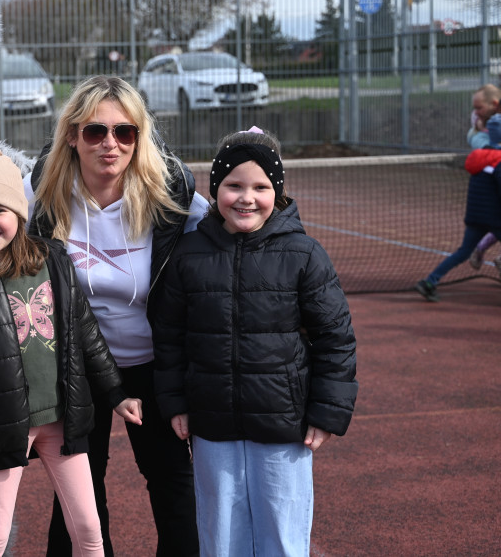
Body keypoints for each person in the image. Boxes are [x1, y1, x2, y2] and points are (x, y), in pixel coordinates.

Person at [153, 128, 359, 557]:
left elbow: (335, 338)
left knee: (283, 534)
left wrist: (326, 412)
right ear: (215, 189)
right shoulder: (189, 254)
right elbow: (170, 337)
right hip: (212, 424)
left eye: (260, 187)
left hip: (284, 427)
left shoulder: (304, 254)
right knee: (220, 534)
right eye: (233, 186)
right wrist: (175, 403)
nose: (246, 198)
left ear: (277, 191)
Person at [26, 76, 208, 557]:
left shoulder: (171, 194)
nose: (111, 143)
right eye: (95, 131)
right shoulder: (43, 192)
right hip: (77, 364)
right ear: (72, 135)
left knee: (171, 478)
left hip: (153, 363)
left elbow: (233, 232)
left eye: (125, 132)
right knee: (82, 483)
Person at [0, 148, 144, 557]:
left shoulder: (54, 259)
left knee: (87, 527)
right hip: (1, 426)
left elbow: (86, 332)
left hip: (61, 420)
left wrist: (117, 393)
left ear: (19, 212)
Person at [415, 124, 501, 301]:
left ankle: (430, 281)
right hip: (495, 219)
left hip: (475, 217)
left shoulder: (480, 159)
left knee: (463, 252)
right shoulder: (499, 161)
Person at [467, 84, 501, 270]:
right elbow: (479, 140)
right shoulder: (482, 124)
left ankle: (480, 248)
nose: (477, 111)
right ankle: (479, 248)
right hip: (491, 175)